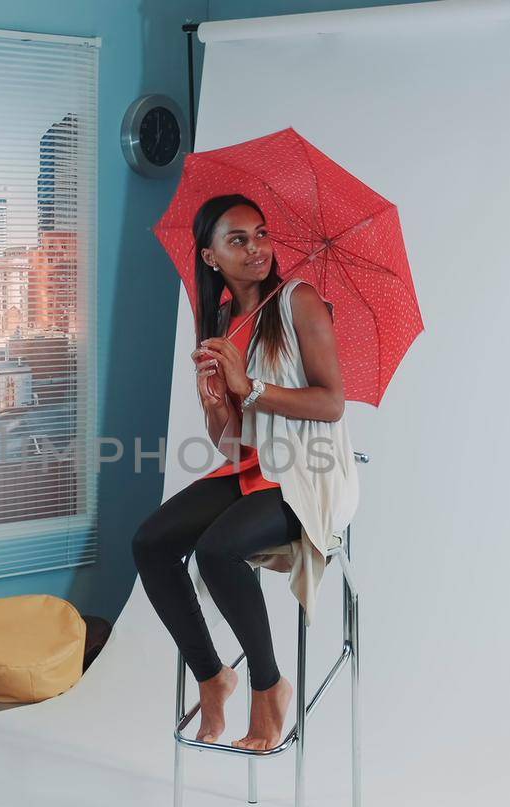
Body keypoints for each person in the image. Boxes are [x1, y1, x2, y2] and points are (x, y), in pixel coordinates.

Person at [132, 193, 357, 752]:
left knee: (216, 549)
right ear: (210, 258)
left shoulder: (298, 301)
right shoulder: (222, 323)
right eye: (238, 240)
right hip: (256, 468)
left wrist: (250, 387)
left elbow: (331, 403)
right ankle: (213, 676)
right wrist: (216, 404)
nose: (256, 248)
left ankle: (268, 685)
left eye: (260, 234)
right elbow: (234, 447)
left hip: (309, 471)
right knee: (151, 542)